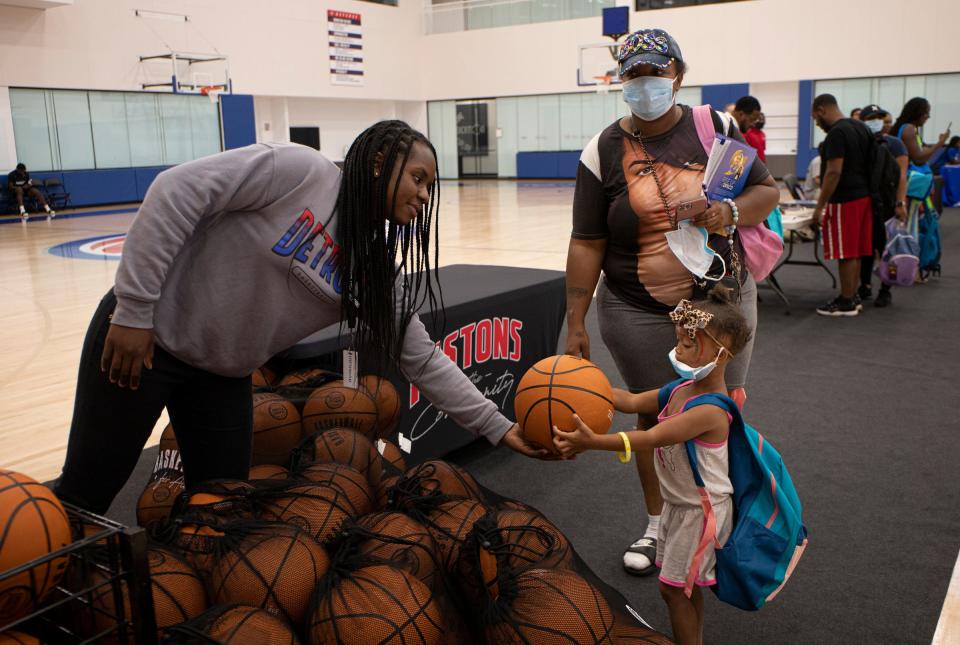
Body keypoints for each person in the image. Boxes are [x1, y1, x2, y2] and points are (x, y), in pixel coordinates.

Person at [53, 120, 551, 515]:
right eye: (418, 178)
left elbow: (421, 358)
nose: (425, 196)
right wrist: (135, 311)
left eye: (430, 188)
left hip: (221, 379)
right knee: (86, 492)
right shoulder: (299, 171)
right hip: (146, 340)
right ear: (380, 163)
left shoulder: (376, 270)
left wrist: (498, 427)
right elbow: (175, 191)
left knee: (222, 510)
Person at [563, 27, 779, 577]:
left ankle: (723, 515)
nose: (644, 83)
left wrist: (730, 213)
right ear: (621, 80)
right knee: (658, 412)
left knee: (718, 411)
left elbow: (766, 192)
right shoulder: (603, 149)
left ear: (677, 76)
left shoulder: (715, 129)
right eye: (633, 74)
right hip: (635, 309)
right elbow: (587, 240)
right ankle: (659, 523)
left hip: (720, 304)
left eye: (655, 73)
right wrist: (575, 319)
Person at [553, 292, 752, 645]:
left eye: (689, 345)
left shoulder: (710, 410)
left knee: (673, 590)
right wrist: (578, 381)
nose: (679, 351)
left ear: (722, 356)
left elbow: (652, 437)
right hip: (680, 506)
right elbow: (629, 400)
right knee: (683, 589)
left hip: (700, 513)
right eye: (679, 341)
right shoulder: (681, 388)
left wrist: (593, 441)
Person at [811, 94, 876, 317]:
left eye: (816, 119)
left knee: (846, 252)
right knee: (855, 250)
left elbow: (833, 171)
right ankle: (853, 295)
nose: (817, 124)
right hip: (864, 196)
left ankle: (846, 300)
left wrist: (820, 207)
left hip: (845, 199)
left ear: (821, 110)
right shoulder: (861, 128)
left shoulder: (837, 133)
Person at [859, 104, 909, 308]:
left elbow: (902, 176)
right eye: (871, 118)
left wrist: (900, 202)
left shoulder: (895, 144)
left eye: (879, 117)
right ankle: (865, 285)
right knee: (865, 248)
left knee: (886, 248)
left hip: (887, 202)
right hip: (864, 202)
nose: (876, 122)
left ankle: (886, 289)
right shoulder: (861, 143)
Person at [732, 96, 766, 162]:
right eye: (751, 120)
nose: (753, 124)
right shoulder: (728, 130)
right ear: (741, 114)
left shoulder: (736, 131)